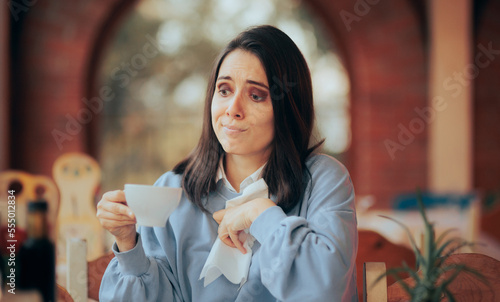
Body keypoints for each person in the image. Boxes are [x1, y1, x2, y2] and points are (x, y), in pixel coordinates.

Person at [96, 25, 358, 301]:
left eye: (256, 95)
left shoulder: (325, 180)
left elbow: (324, 290)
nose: (233, 108)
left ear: (288, 107)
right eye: (224, 90)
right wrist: (128, 243)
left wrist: (261, 214)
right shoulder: (172, 190)